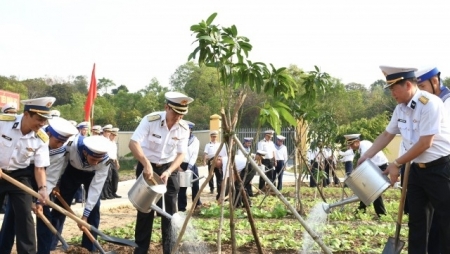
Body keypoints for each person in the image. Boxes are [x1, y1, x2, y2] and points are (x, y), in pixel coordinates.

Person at [358, 66, 450, 253]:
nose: (392, 93)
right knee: (417, 221)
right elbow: (387, 134)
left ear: (408, 84)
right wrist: (366, 156)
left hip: (440, 170)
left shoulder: (429, 103)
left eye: (394, 88)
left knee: (446, 219)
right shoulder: (400, 109)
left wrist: (397, 163)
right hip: (416, 170)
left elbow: (425, 142)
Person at [128, 91, 193, 254]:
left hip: (168, 169)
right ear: (166, 107)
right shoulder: (151, 120)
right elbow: (133, 143)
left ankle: (169, 250)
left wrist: (170, 171)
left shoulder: (183, 128)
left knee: (170, 212)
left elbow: (181, 154)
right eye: (176, 113)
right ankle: (140, 250)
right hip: (146, 167)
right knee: (145, 210)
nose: (179, 117)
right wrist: (146, 164)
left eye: (182, 114)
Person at [0, 96, 55, 254]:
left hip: (19, 176)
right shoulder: (4, 122)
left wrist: (43, 189)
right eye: (39, 119)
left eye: (45, 120)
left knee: (25, 218)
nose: (42, 124)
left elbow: (39, 168)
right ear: (26, 114)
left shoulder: (42, 137)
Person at [49, 135, 111, 252]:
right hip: (72, 172)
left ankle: (89, 247)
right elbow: (60, 163)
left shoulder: (107, 159)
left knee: (94, 208)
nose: (96, 162)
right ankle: (50, 243)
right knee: (60, 207)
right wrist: (57, 183)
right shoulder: (72, 145)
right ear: (85, 152)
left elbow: (96, 188)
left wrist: (85, 216)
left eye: (98, 160)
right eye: (93, 159)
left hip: (92, 176)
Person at [415, 66, 447, 254]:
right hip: (422, 166)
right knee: (428, 221)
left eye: (423, 86)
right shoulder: (423, 102)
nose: (420, 92)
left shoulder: (446, 102)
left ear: (435, 82)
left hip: (443, 165)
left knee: (444, 220)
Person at [346, 134, 387, 217]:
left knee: (374, 191)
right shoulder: (363, 146)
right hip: (375, 166)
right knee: (366, 189)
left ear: (357, 142)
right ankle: (362, 209)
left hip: (380, 166)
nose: (351, 147)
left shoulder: (364, 147)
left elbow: (364, 163)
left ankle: (381, 213)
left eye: (351, 144)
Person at [177, 121, 202, 211]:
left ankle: (196, 205)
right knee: (182, 188)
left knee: (195, 186)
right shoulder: (178, 139)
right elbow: (175, 153)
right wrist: (178, 167)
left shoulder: (195, 141)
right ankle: (182, 208)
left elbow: (194, 155)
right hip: (180, 165)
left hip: (191, 165)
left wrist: (189, 168)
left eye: (187, 129)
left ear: (191, 130)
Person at [203, 130, 221, 195]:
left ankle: (219, 189)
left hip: (218, 161)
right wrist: (204, 161)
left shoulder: (219, 144)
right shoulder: (208, 145)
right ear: (211, 137)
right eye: (213, 137)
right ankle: (212, 189)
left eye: (215, 137)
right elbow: (205, 153)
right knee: (211, 175)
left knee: (219, 175)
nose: (214, 138)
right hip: (211, 161)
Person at [108, 127, 121, 198]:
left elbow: (114, 154)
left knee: (115, 176)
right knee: (109, 177)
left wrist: (117, 162)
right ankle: (109, 193)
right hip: (108, 160)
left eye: (115, 135)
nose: (114, 137)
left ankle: (114, 192)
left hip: (113, 160)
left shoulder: (114, 143)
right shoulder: (107, 142)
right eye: (113, 135)